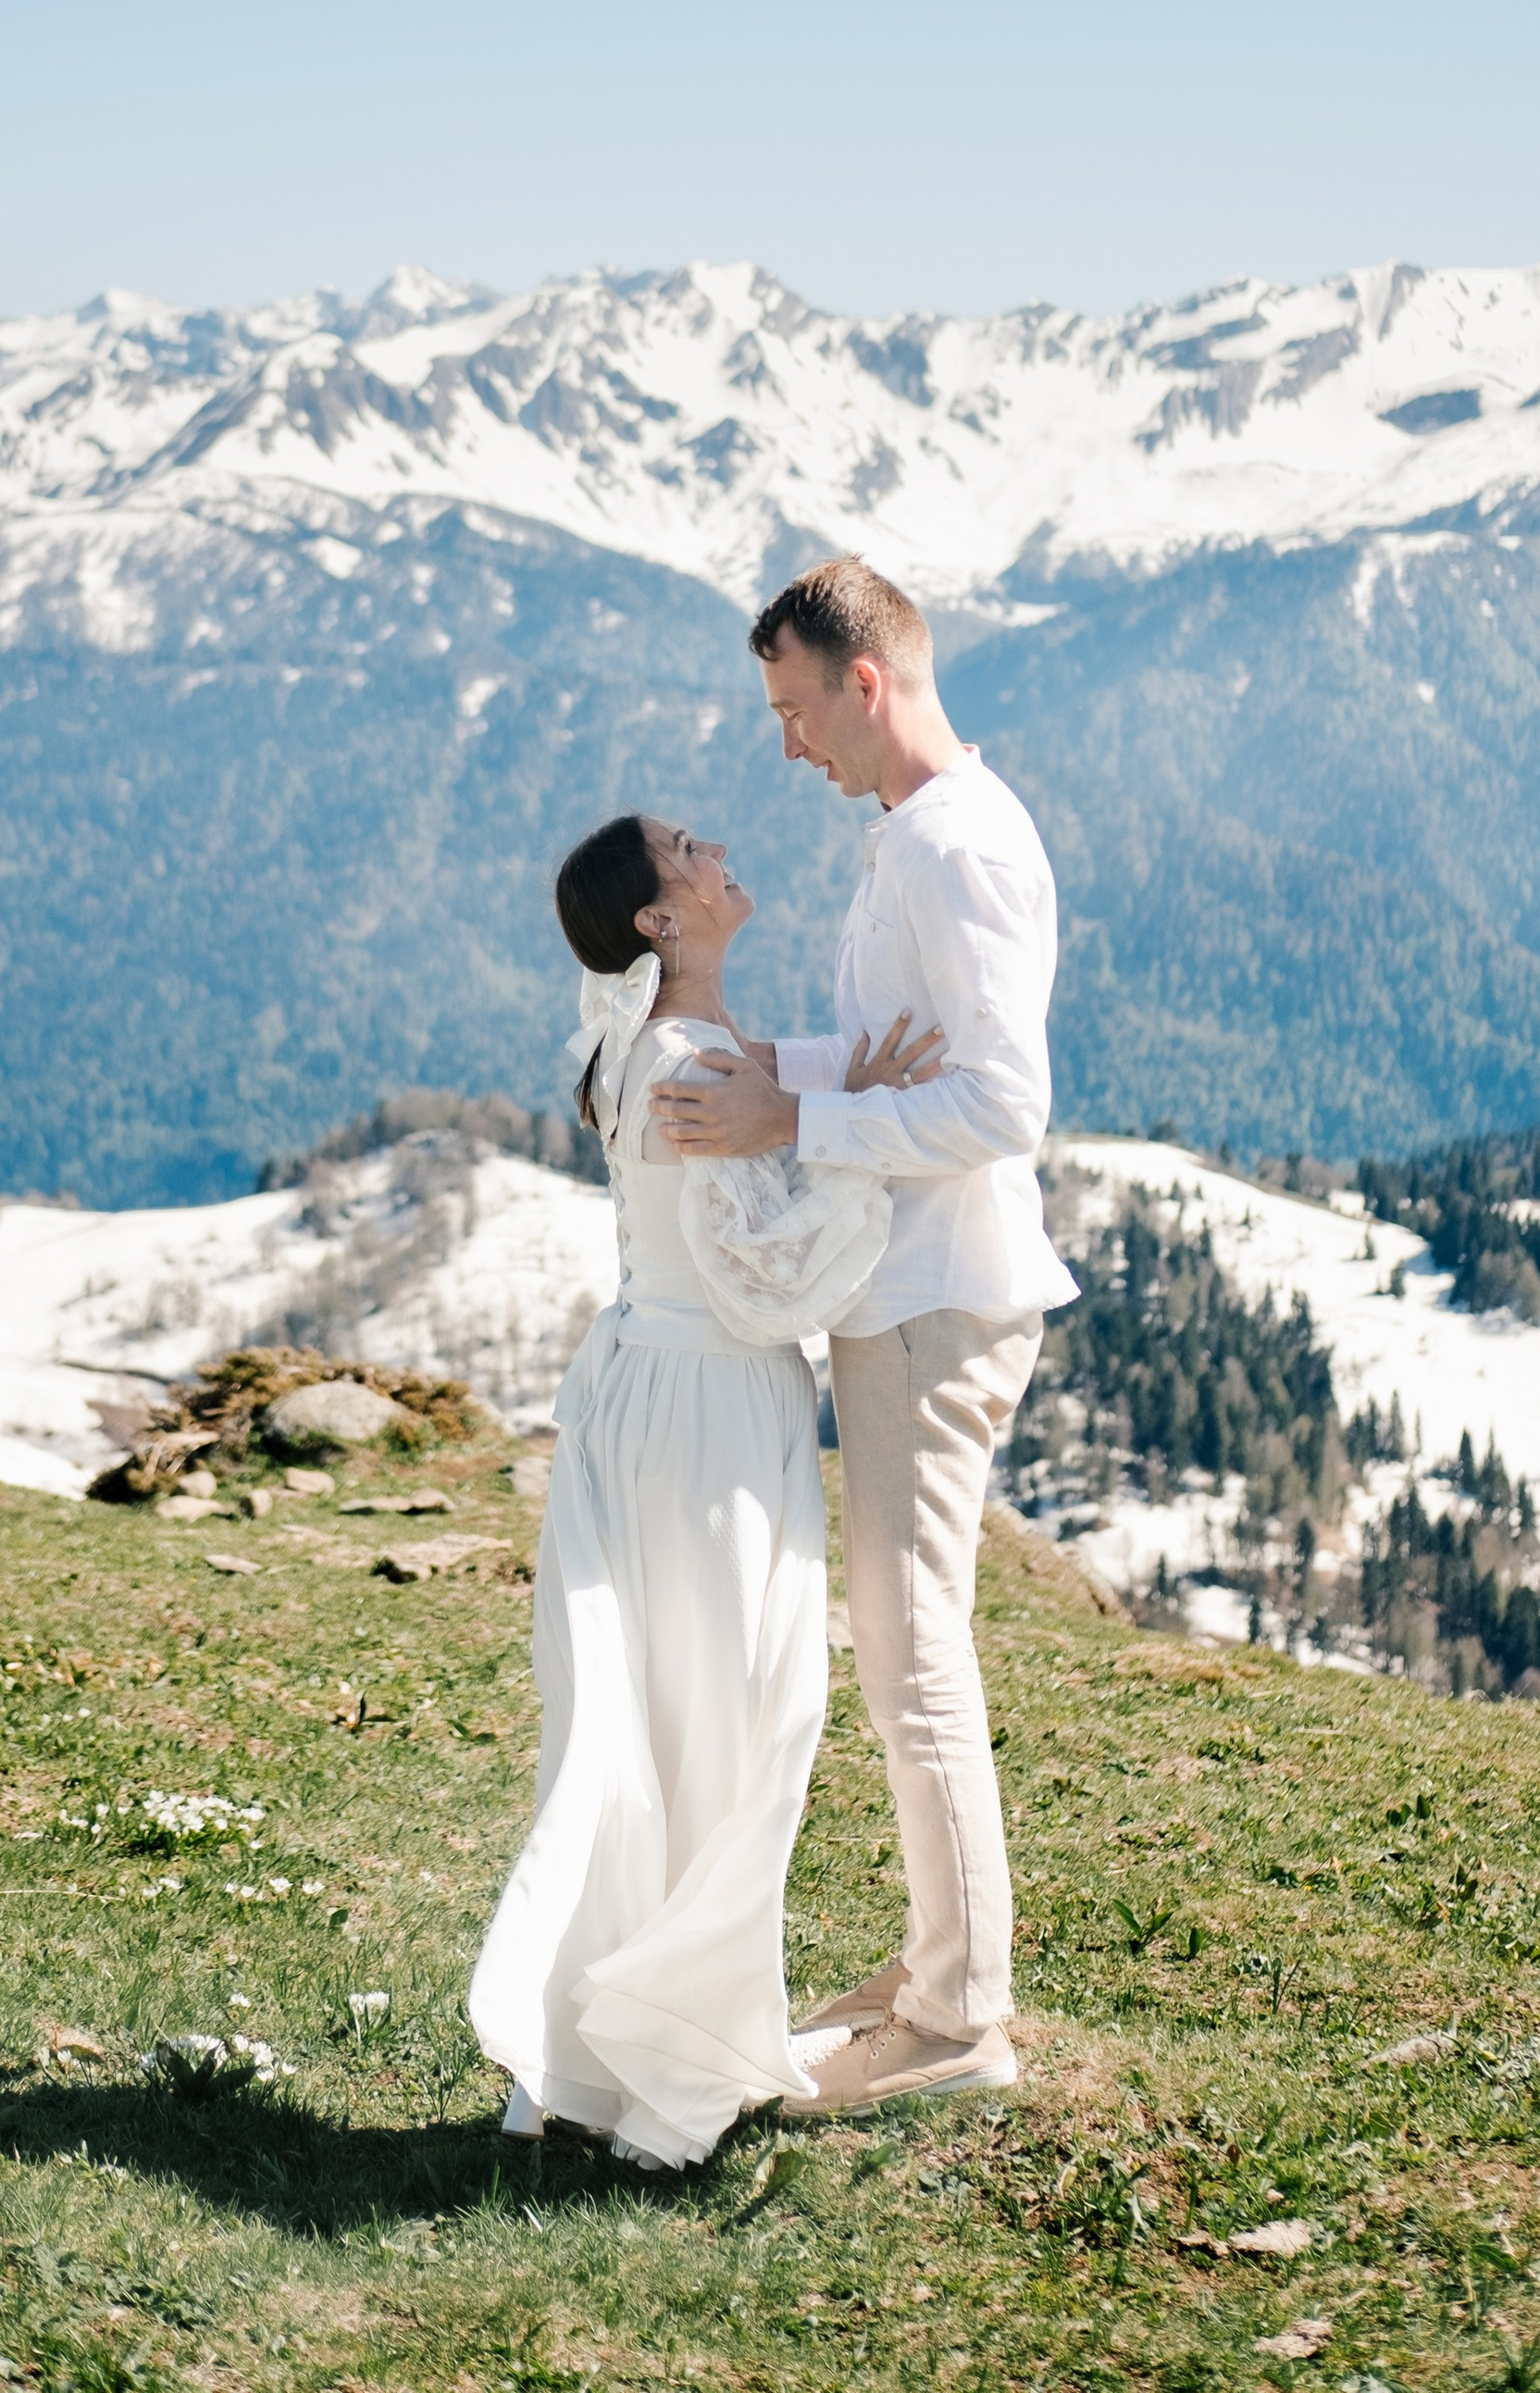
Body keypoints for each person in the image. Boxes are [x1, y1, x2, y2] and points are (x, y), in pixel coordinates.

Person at [652, 555, 1073, 2117]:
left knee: (914, 1664)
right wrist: (785, 1064)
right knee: (909, 1650)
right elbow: (914, 1058)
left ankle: (960, 2018)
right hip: (907, 1291)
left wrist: (796, 1113)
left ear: (864, 681)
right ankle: (927, 1968)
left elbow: (999, 1103)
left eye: (792, 709)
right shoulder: (928, 830)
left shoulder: (952, 848)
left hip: (932, 1297)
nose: (785, 748)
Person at [467, 809, 941, 2168]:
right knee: (739, 1716)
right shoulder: (687, 1053)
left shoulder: (655, 1044)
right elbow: (773, 1277)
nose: (724, 845)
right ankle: (669, 2059)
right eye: (688, 850)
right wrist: (867, 1131)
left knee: (668, 1715)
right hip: (710, 1410)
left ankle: (630, 2040)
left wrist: (837, 1090)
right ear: (660, 923)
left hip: (650, 1389)